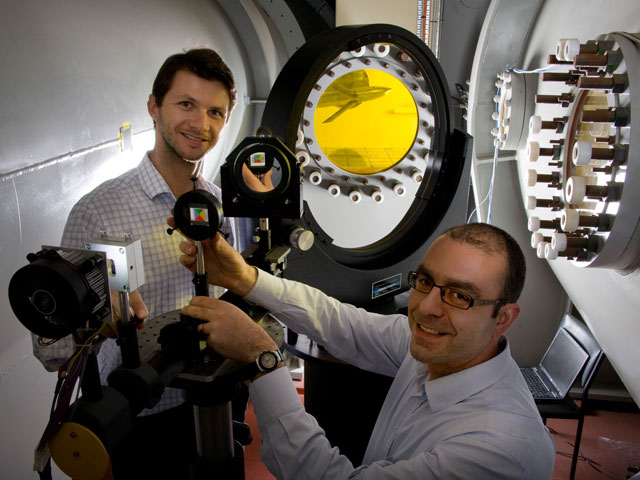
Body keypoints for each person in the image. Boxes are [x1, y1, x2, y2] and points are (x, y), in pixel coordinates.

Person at [177, 222, 557, 479]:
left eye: (460, 295)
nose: (425, 308)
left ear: (503, 318)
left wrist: (262, 358)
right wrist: (244, 279)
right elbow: (340, 322)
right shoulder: (438, 350)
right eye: (425, 281)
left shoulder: (499, 449)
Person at [32, 48, 239, 479]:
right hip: (144, 418)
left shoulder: (215, 202)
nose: (201, 125)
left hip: (217, 403)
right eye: (186, 104)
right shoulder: (98, 213)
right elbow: (49, 349)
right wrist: (99, 321)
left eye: (215, 112)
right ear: (153, 107)